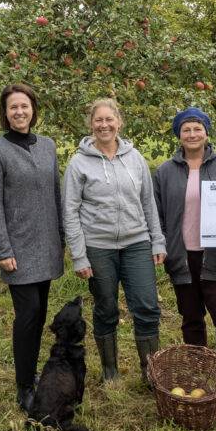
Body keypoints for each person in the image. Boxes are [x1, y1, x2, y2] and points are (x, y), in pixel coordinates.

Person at [63, 98, 166, 386]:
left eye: (109, 119)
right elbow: (70, 211)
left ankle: (150, 373)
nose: (104, 125)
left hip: (137, 243)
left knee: (146, 307)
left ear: (119, 122)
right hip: (98, 247)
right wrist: (79, 255)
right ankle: (110, 371)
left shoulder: (135, 158)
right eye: (98, 120)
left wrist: (157, 240)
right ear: (91, 124)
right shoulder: (78, 163)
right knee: (106, 307)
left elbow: (148, 202)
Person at [0, 83, 64, 414]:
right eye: (13, 107)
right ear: (5, 113)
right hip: (18, 248)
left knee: (40, 313)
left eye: (24, 106)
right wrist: (3, 250)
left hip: (47, 244)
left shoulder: (47, 146)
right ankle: (24, 386)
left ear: (33, 110)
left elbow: (56, 194)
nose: (19, 112)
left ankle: (32, 371)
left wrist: (61, 238)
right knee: (27, 315)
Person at [153, 108, 216, 379]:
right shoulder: (165, 172)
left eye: (197, 129)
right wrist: (162, 246)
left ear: (206, 132)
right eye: (186, 130)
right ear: (178, 135)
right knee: (191, 317)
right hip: (182, 255)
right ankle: (198, 367)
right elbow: (157, 215)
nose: (192, 134)